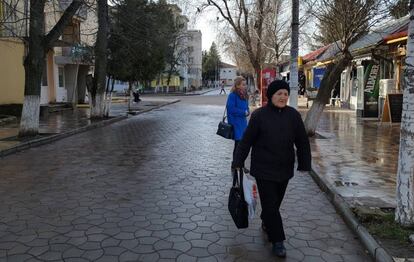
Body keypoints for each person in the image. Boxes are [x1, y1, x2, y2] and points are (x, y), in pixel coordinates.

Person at [232, 80, 311, 258]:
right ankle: (278, 241)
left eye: (285, 94)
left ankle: (267, 222)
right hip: (263, 169)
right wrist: (238, 161)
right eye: (279, 94)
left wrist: (305, 164)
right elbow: (247, 141)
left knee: (274, 204)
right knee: (270, 205)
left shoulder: (293, 115)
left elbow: (302, 141)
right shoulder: (259, 116)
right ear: (271, 96)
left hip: (284, 169)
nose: (283, 97)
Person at [227, 76, 250, 172]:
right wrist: (243, 112)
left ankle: (239, 165)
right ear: (237, 85)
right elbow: (231, 109)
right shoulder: (233, 95)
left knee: (242, 146)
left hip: (243, 123)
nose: (245, 86)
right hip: (236, 123)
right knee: (238, 146)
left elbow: (246, 107)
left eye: (245, 84)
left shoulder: (244, 94)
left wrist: (248, 111)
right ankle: (236, 165)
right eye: (243, 84)